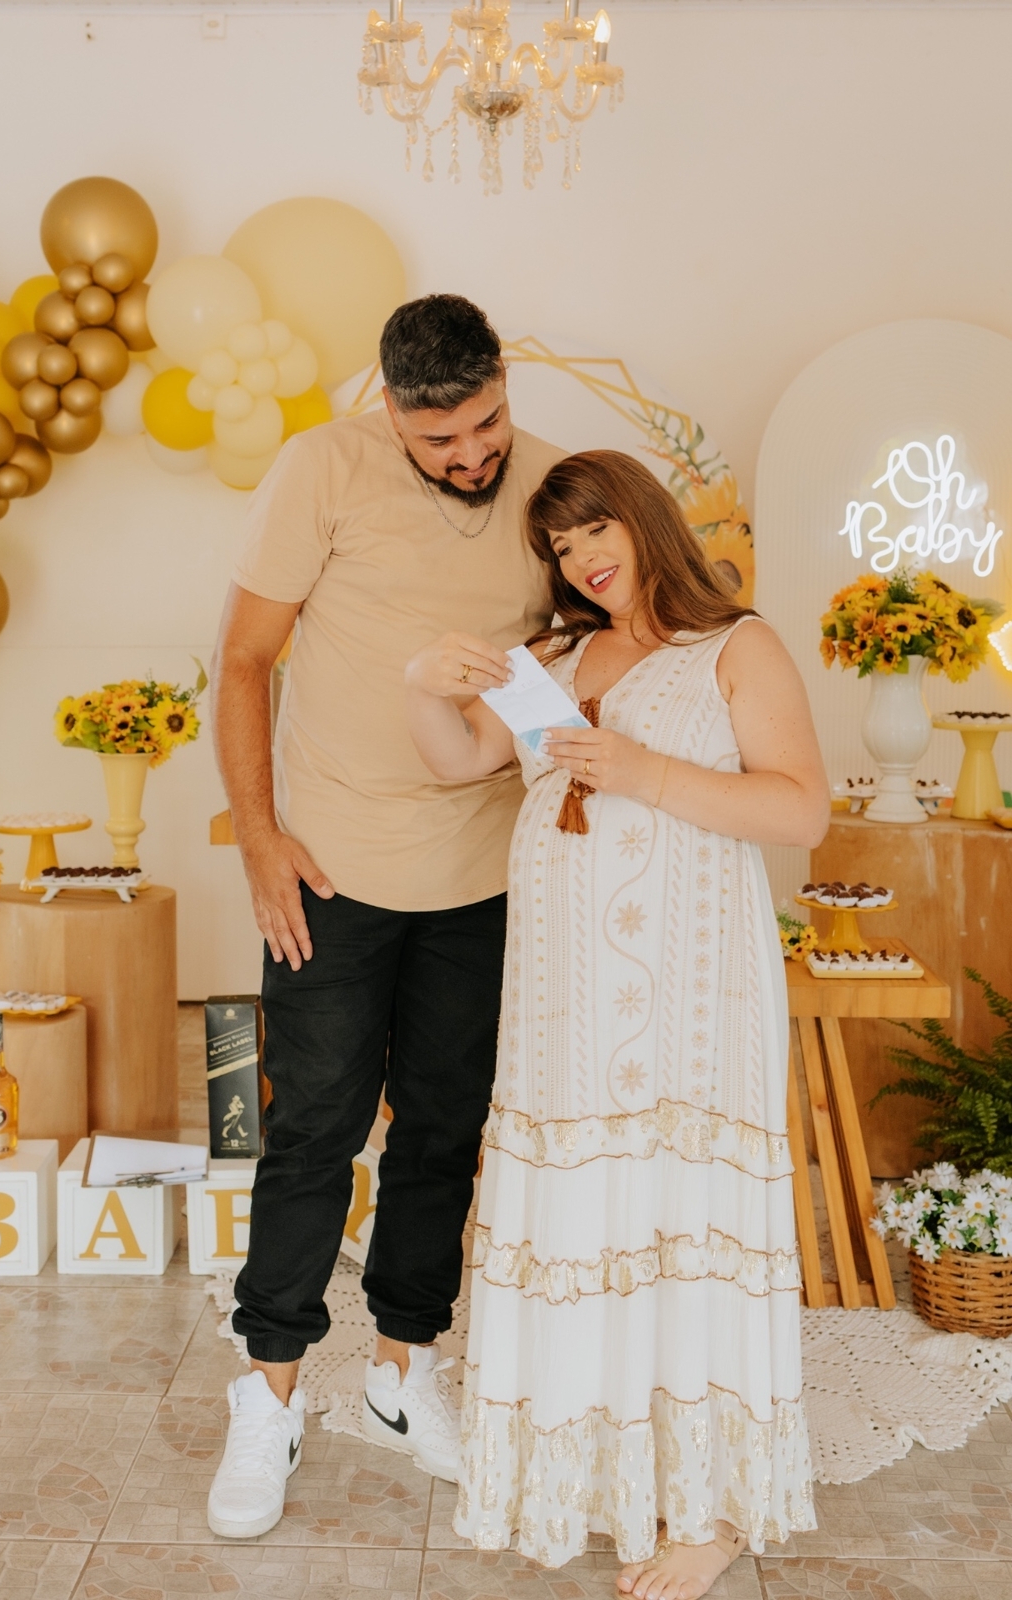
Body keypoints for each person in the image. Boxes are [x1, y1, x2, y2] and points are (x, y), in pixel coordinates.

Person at [404, 450, 827, 1598]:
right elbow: (461, 759)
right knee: (589, 1214)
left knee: (682, 1211)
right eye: (558, 543)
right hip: (565, 1006)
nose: (580, 555)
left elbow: (800, 807)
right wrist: (425, 688)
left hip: (693, 1002)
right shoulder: (551, 660)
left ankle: (709, 1506)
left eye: (594, 527)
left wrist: (643, 770)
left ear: (641, 518)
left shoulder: (734, 645)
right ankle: (597, 1468)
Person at [206, 295, 563, 1539]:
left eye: (485, 425)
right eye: (439, 440)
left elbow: (566, 661)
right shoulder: (321, 468)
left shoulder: (550, 484)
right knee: (312, 1132)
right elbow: (242, 658)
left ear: (502, 386)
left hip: (482, 874)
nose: (470, 455)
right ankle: (268, 1397)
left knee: (442, 1134)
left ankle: (403, 1374)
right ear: (391, 413)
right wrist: (260, 839)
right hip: (331, 872)